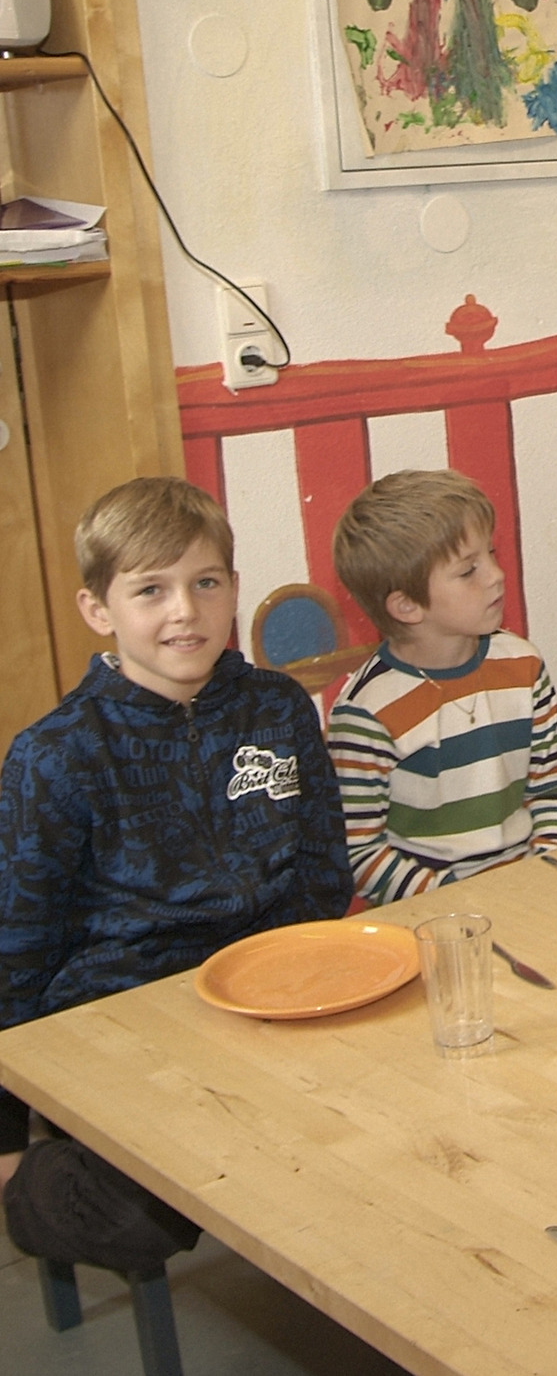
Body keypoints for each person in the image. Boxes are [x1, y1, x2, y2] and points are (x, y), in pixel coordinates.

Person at [0, 478, 351, 1271]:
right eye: (150, 590)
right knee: (145, 1215)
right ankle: (50, 1175)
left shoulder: (278, 708)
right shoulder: (55, 754)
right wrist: (5, 1133)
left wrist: (285, 984)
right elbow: (15, 948)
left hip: (268, 993)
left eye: (205, 583)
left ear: (233, 587)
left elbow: (324, 868)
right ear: (99, 609)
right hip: (125, 1020)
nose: (184, 611)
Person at [326, 470, 557, 907]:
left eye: (492, 554)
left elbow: (554, 790)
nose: (497, 575)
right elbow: (360, 855)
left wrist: (544, 869)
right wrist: (461, 902)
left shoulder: (522, 664)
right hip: (435, 918)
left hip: (534, 892)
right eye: (468, 571)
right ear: (406, 605)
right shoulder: (367, 714)